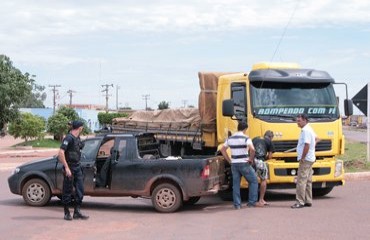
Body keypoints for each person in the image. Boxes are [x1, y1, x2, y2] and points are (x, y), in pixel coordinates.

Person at [220, 121, 264, 209]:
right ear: (245, 129)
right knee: (253, 181)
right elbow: (253, 150)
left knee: (236, 184)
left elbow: (222, 150)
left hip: (234, 164)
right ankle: (251, 202)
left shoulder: (230, 138)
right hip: (244, 163)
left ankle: (237, 204)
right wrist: (251, 159)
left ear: (238, 128)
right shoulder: (246, 138)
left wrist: (229, 160)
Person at [58, 120, 89, 220]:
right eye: (82, 127)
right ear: (80, 128)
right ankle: (67, 213)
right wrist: (66, 168)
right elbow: (61, 153)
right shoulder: (68, 138)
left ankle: (77, 212)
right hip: (70, 167)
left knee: (80, 190)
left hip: (77, 167)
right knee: (67, 190)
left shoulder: (77, 138)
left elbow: (78, 148)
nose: (82, 129)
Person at [291, 114, 319, 209]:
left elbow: (307, 145)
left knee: (301, 180)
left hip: (306, 159)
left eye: (299, 121)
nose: (297, 123)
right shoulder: (309, 129)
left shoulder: (306, 131)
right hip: (311, 158)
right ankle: (308, 200)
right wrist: (313, 147)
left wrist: (303, 157)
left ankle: (300, 202)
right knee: (308, 180)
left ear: (305, 120)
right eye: (297, 120)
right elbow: (318, 138)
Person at [252, 130, 275, 205]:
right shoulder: (269, 141)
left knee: (252, 180)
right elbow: (270, 156)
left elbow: (250, 149)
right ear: (271, 137)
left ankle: (252, 200)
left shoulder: (255, 139)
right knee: (263, 180)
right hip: (261, 161)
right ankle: (261, 200)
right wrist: (265, 158)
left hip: (252, 161)